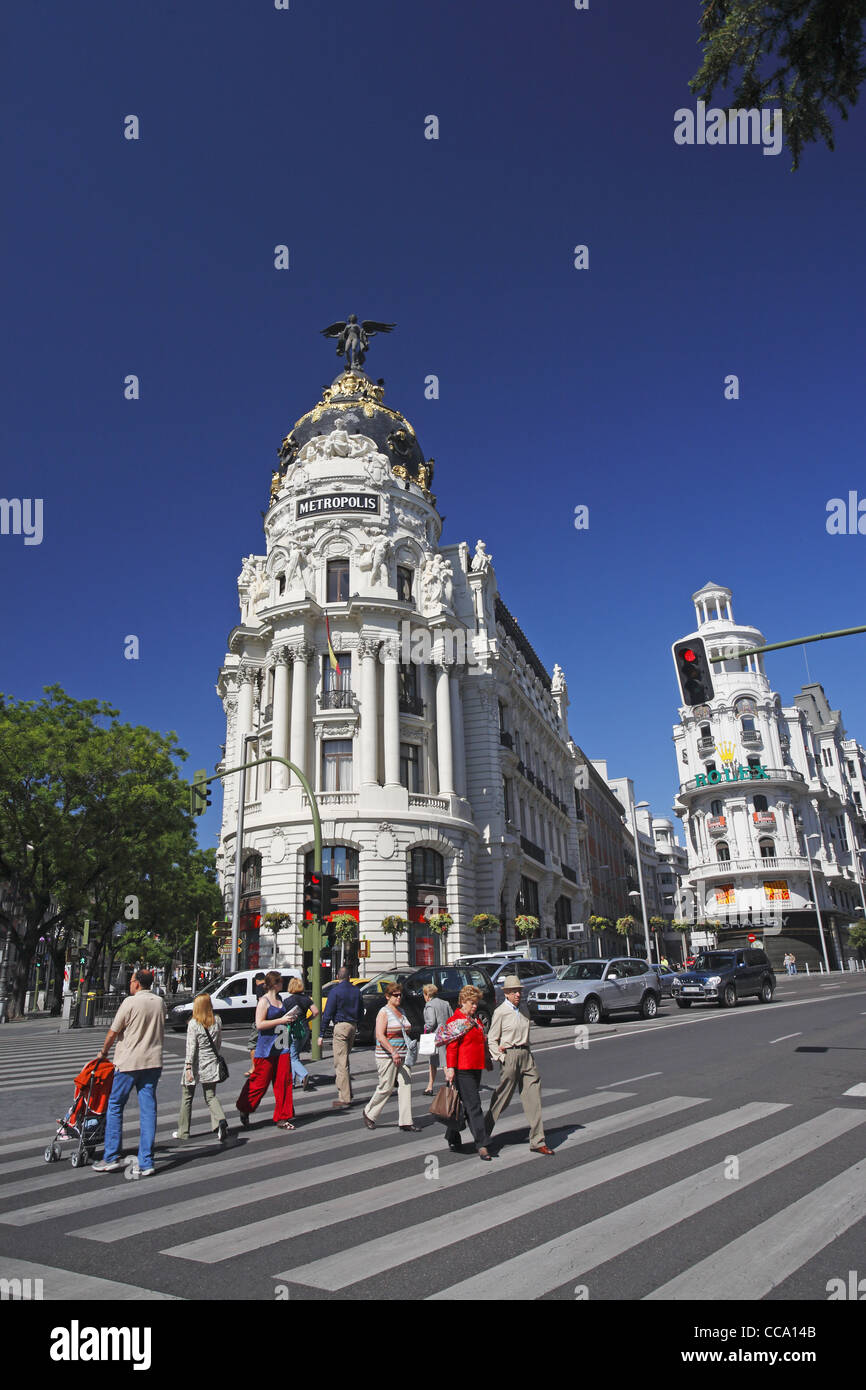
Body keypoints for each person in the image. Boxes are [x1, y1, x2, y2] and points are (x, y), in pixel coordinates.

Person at [93, 970, 166, 1177]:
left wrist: (103, 1052)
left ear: (136, 984)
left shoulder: (130, 1002)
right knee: (148, 1110)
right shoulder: (159, 1002)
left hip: (128, 1063)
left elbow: (113, 1031)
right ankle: (146, 1162)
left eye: (131, 980)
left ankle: (111, 1156)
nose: (130, 984)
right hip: (153, 1062)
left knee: (115, 1105)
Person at [484, 976, 553, 1155]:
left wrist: (528, 1051)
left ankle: (538, 1140)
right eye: (514, 991)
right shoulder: (500, 1012)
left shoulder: (523, 1009)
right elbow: (492, 1038)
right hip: (510, 1056)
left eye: (519, 991)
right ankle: (483, 1134)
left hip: (526, 1054)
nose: (517, 994)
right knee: (502, 1098)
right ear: (506, 993)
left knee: (534, 1097)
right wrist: (500, 1057)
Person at [235, 971, 295, 1130]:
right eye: (280, 982)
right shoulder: (264, 1001)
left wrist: (289, 1019)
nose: (282, 984)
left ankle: (283, 1117)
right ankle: (244, 1106)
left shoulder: (280, 1000)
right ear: (274, 984)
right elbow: (259, 1024)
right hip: (266, 1048)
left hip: (282, 1045)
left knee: (284, 1082)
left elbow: (281, 1020)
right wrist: (281, 1020)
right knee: (259, 1082)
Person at [440, 985, 492, 1161]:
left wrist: (487, 1060)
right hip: (463, 1069)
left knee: (461, 1105)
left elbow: (481, 1042)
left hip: (475, 1067)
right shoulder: (456, 1021)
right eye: (472, 1003)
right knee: (474, 1106)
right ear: (462, 1002)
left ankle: (452, 1136)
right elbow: (451, 1047)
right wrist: (450, 1069)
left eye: (476, 1003)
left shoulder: (475, 1020)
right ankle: (482, 1144)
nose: (475, 1006)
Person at [362, 982, 420, 1133]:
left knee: (406, 1085)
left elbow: (405, 1031)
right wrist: (393, 1052)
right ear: (388, 996)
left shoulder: (402, 1011)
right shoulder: (384, 1012)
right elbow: (380, 1036)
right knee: (386, 1087)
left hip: (404, 1055)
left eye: (400, 995)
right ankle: (369, 1112)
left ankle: (406, 1121)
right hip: (387, 1056)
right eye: (395, 995)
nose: (399, 997)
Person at [173, 993, 229, 1145]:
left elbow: (191, 1048)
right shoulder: (217, 1020)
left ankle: (183, 1131)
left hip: (197, 1063)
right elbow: (218, 1042)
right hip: (211, 1061)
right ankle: (219, 1121)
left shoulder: (194, 1023)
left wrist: (188, 1067)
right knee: (210, 1096)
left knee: (187, 1096)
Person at [322, 966, 363, 1109]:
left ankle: (345, 1098)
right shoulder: (356, 991)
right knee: (344, 1060)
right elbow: (360, 1010)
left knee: (340, 1063)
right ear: (349, 976)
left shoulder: (335, 992)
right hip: (353, 1026)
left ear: (338, 976)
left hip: (341, 1026)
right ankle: (348, 1092)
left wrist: (321, 1033)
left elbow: (328, 1013)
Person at [285, 976, 319, 1091]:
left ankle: (303, 1074)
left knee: (292, 1057)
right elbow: (316, 1011)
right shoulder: (306, 999)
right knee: (295, 1055)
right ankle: (293, 1080)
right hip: (304, 1029)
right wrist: (308, 1019)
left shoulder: (287, 1001)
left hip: (294, 1030)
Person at [422, 983, 450, 1095]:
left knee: (442, 1062)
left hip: (436, 1037)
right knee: (435, 1061)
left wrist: (425, 1027)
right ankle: (429, 1085)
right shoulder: (445, 1003)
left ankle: (450, 1083)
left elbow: (431, 1022)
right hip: (446, 1034)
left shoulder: (430, 1005)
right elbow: (451, 1016)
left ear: (427, 995)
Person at [244, 972, 268, 1077]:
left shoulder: (259, 987)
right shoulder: (270, 988)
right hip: (270, 1019)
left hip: (261, 1019)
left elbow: (261, 1001)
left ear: (257, 980)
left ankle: (254, 1067)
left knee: (253, 1044)